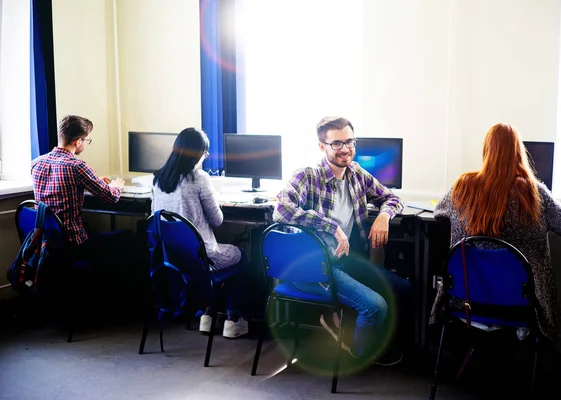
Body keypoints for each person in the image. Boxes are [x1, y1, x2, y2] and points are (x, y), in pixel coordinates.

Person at [429, 122, 561, 355]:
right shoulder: (534, 192)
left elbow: (438, 213)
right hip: (522, 305)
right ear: (518, 151)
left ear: (486, 151)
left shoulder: (462, 187)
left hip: (466, 299)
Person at [273, 116, 413, 365]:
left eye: (349, 142)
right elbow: (281, 209)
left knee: (403, 289)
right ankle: (358, 354)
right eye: (336, 143)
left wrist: (383, 215)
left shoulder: (356, 173)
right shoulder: (308, 175)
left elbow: (393, 198)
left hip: (345, 262)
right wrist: (332, 226)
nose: (345, 149)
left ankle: (355, 331)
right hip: (315, 268)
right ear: (321, 146)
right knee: (375, 307)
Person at [31, 114, 151, 311]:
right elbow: (112, 197)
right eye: (87, 140)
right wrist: (116, 185)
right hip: (74, 244)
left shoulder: (37, 163)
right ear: (78, 142)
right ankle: (136, 302)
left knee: (99, 232)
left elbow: (57, 190)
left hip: (47, 242)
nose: (86, 143)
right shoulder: (77, 166)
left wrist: (93, 181)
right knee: (129, 238)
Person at [152, 127, 249, 339]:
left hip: (171, 259)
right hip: (200, 258)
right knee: (242, 256)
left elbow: (154, 217)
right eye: (205, 153)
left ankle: (208, 315)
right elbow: (218, 220)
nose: (205, 157)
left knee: (225, 252)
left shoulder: (158, 178)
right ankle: (233, 320)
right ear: (198, 154)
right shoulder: (199, 178)